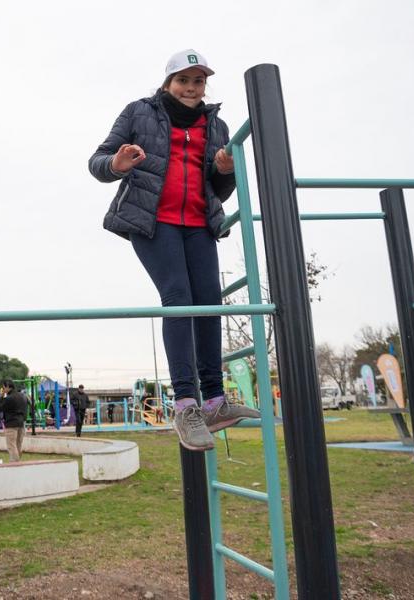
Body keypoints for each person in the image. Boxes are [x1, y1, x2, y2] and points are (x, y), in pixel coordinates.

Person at [88, 49, 259, 451]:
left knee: (209, 302)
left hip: (199, 223)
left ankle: (215, 400)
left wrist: (224, 170)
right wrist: (119, 161)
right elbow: (97, 163)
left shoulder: (216, 125)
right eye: (183, 80)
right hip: (153, 222)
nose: (191, 88)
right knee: (179, 298)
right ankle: (185, 404)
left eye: (198, 82)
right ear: (168, 83)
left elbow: (217, 190)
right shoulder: (139, 113)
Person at [0, 380, 27, 462]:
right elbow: (26, 409)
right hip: (21, 422)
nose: (3, 390)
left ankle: (15, 463)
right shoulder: (23, 396)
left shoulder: (9, 398)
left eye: (4, 388)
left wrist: (1, 397)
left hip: (11, 423)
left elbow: (0, 408)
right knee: (18, 444)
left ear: (8, 387)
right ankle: (17, 462)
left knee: (11, 445)